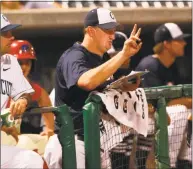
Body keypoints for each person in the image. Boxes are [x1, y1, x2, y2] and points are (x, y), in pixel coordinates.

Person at [44, 7, 142, 169]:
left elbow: (99, 88)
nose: (112, 35)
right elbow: (87, 82)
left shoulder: (100, 58)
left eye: (114, 30)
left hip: (95, 140)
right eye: (107, 30)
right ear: (90, 31)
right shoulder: (74, 55)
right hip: (71, 142)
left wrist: (123, 85)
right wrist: (123, 54)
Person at [135, 23, 191, 169]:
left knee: (186, 112)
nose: (184, 43)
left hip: (163, 116)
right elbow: (153, 104)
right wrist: (188, 102)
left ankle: (186, 161)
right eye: (179, 40)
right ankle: (167, 164)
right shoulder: (150, 65)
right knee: (181, 111)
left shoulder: (173, 66)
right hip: (142, 117)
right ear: (166, 44)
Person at [1, 13, 47, 168]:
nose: (11, 37)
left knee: (38, 156)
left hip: (5, 138)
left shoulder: (8, 63)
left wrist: (23, 99)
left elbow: (28, 93)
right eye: (5, 33)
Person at [9, 40, 55, 137]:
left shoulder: (32, 87)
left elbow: (44, 99)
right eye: (20, 63)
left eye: (27, 63)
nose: (24, 67)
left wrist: (49, 129)